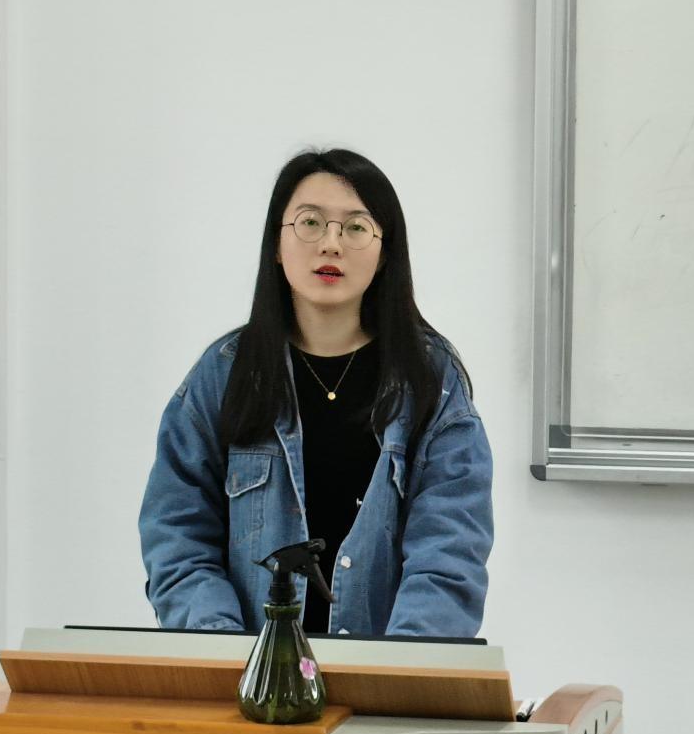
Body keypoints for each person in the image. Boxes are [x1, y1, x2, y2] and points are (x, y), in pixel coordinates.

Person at [139, 148, 493, 637]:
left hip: (384, 675)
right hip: (247, 675)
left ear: (384, 252)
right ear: (276, 244)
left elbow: (450, 554)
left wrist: (396, 669)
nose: (331, 244)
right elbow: (177, 540)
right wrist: (232, 655)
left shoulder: (432, 381)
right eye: (310, 223)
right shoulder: (223, 374)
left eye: (356, 227)